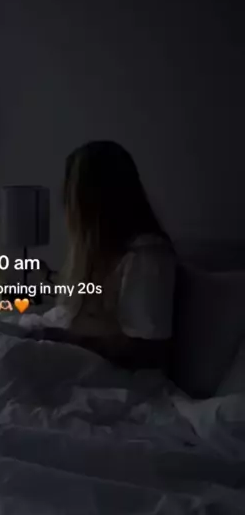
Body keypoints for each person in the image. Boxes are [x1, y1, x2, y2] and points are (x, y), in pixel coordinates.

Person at [37, 141, 176, 370]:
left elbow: (149, 352)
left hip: (112, 376)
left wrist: (64, 339)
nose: (67, 207)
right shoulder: (102, 253)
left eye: (72, 197)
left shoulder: (146, 257)